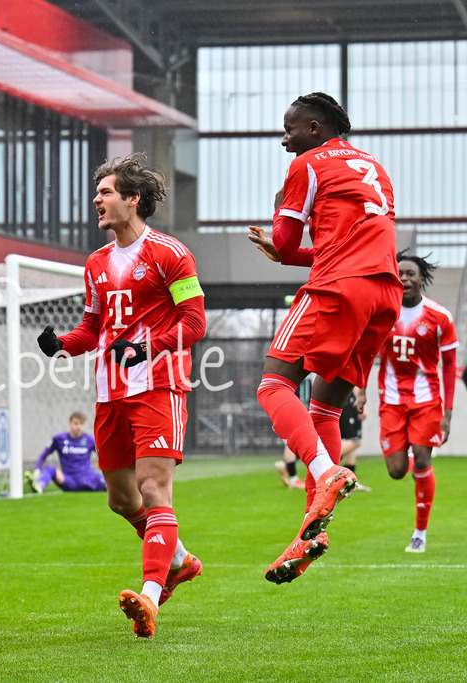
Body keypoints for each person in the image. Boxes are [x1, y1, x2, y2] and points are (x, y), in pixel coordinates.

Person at [37, 153, 206, 639]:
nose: (97, 199)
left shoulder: (172, 254)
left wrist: (149, 344)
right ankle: (179, 561)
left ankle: (151, 596)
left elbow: (194, 322)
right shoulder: (95, 263)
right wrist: (62, 345)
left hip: (159, 384)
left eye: (106, 192)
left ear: (133, 199)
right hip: (110, 392)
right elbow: (93, 328)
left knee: (154, 489)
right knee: (120, 498)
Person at [247, 92, 401, 584]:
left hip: (338, 288)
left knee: (272, 386)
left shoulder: (308, 164)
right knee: (325, 409)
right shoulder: (373, 166)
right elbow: (340, 245)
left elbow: (293, 241)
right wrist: (286, 253)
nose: (284, 136)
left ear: (315, 128)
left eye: (290, 127)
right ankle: (312, 530)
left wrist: (279, 222)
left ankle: (323, 470)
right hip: (384, 292)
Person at [373, 251, 458, 553]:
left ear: (422, 279)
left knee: (423, 459)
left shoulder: (439, 317)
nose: (404, 278)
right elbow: (366, 352)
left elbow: (449, 365)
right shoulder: (383, 313)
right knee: (397, 471)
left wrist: (448, 413)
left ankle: (420, 533)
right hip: (391, 402)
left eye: (410, 273)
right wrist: (359, 393)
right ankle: (416, 469)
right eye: (400, 273)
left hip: (426, 401)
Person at [25, 412, 106, 494]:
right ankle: (39, 486)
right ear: (69, 423)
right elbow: (43, 455)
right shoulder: (59, 439)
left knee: (107, 482)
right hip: (68, 479)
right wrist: (37, 470)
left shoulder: (90, 440)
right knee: (50, 469)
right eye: (76, 423)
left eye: (81, 424)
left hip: (88, 478)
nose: (78, 427)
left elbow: (102, 455)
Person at [340, 388, 371, 493]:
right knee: (355, 441)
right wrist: (361, 402)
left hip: (343, 401)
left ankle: (350, 482)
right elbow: (354, 383)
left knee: (351, 441)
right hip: (350, 402)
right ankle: (325, 464)